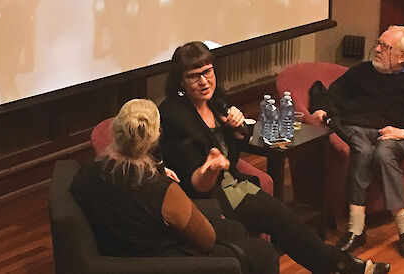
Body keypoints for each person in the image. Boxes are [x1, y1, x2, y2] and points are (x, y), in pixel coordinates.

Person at [159, 41, 391, 274]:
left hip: (234, 185)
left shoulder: (216, 102)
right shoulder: (174, 115)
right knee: (282, 220)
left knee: (284, 219)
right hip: (212, 196)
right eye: (194, 76)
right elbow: (194, 184)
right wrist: (212, 167)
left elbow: (234, 150)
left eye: (207, 72)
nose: (203, 81)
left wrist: (236, 129)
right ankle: (342, 266)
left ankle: (338, 265)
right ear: (180, 81)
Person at [72, 98, 280, 274]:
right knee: (263, 253)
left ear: (116, 131)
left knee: (235, 228)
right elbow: (206, 240)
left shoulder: (86, 173)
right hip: (162, 261)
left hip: (117, 250)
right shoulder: (161, 188)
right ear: (155, 137)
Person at [310, 26, 404, 259]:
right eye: (377, 43)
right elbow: (330, 93)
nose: (376, 49)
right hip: (357, 129)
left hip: (391, 136)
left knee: (383, 153)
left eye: (385, 47)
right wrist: (321, 109)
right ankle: (356, 229)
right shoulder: (362, 72)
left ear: (402, 56)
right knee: (362, 148)